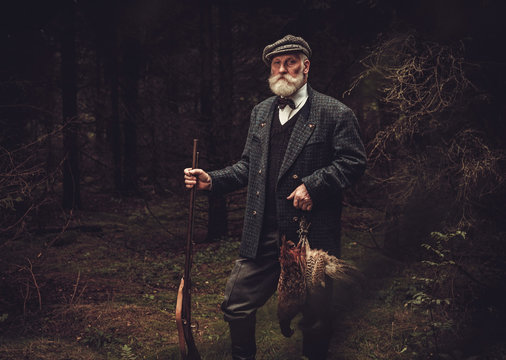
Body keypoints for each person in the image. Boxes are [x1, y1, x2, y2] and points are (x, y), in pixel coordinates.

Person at [184, 34, 366, 360]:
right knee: (236, 304)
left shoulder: (334, 113)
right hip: (262, 232)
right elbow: (247, 167)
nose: (283, 69)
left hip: (310, 238)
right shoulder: (261, 112)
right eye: (277, 64)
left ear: (306, 67)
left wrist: (314, 184)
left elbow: (353, 162)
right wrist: (212, 180)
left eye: (290, 62)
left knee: (315, 319)